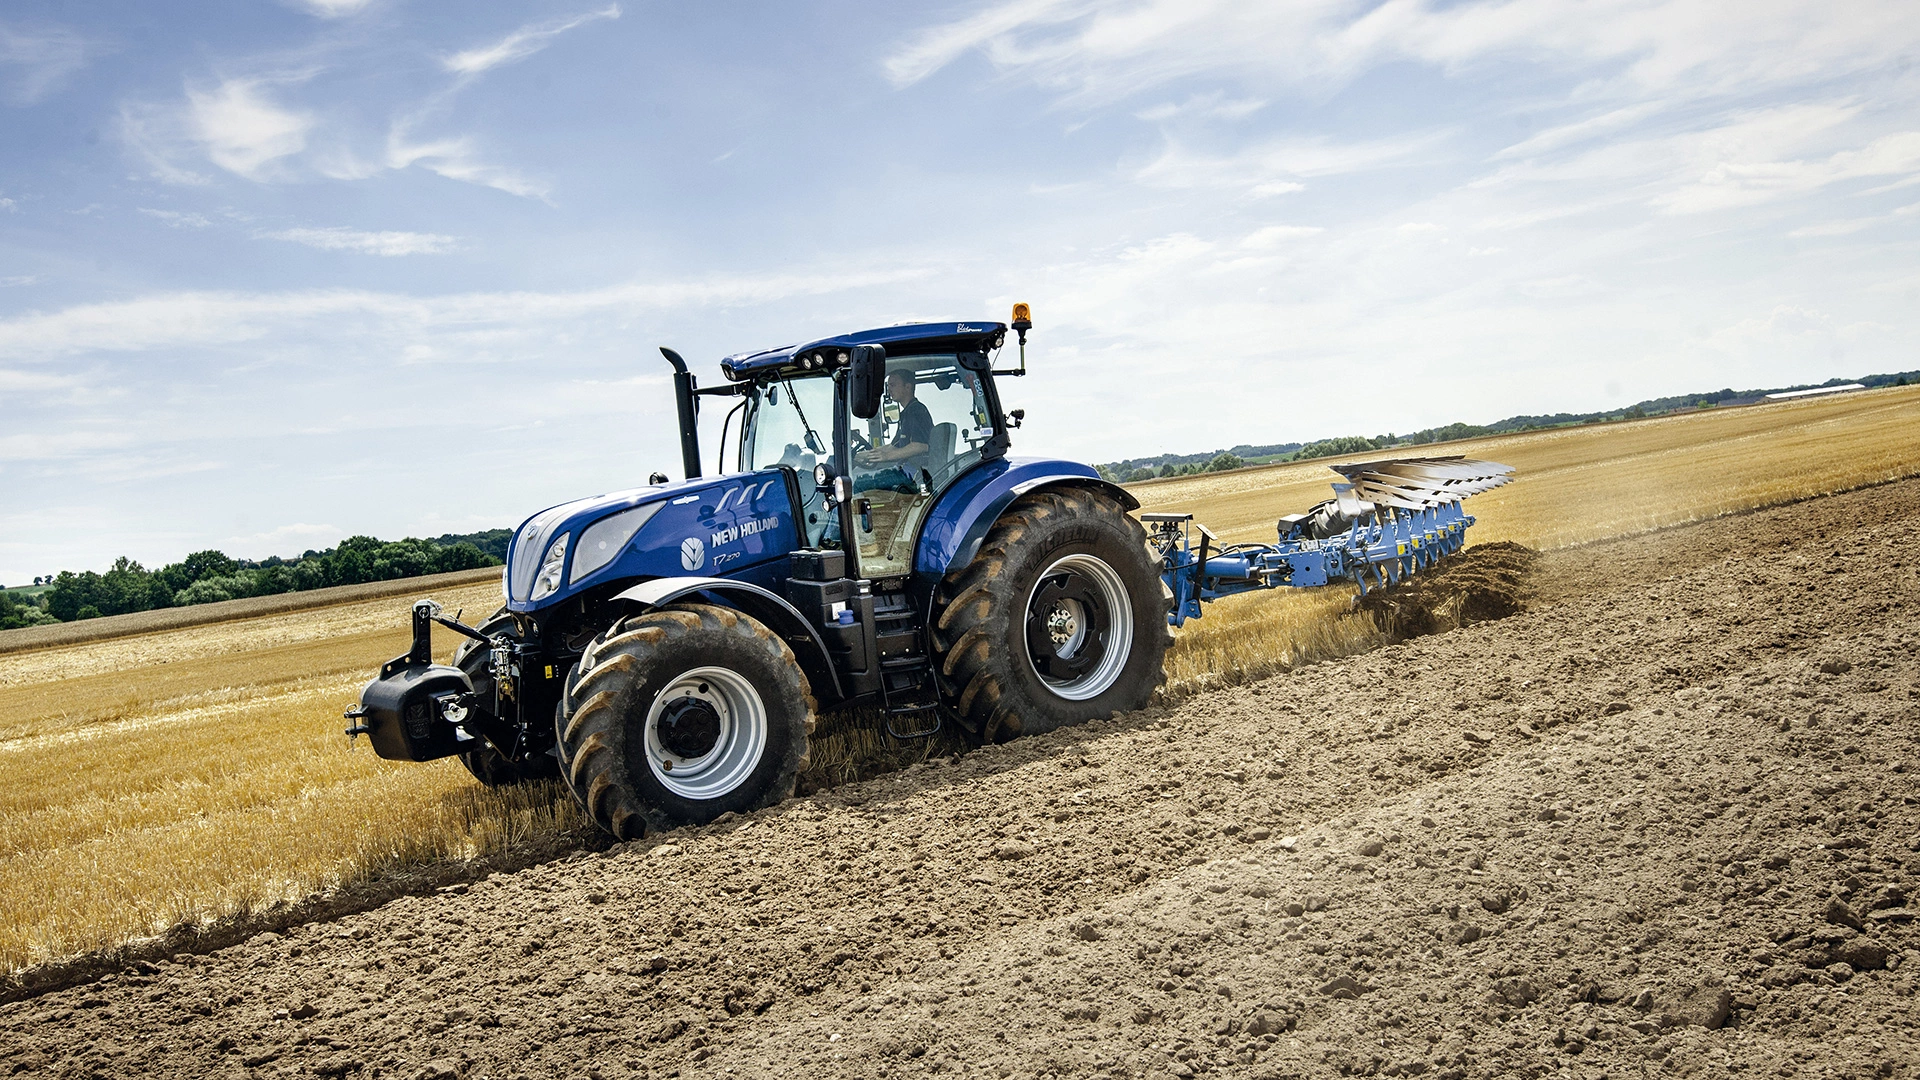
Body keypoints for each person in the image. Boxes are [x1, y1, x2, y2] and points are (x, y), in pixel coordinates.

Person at [856, 369, 933, 473]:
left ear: (907, 387)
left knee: (859, 484)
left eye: (893, 385)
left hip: (914, 473)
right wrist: (865, 454)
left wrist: (886, 456)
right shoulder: (906, 413)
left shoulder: (916, 410)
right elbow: (893, 446)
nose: (889, 390)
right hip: (904, 469)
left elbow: (921, 446)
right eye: (888, 386)